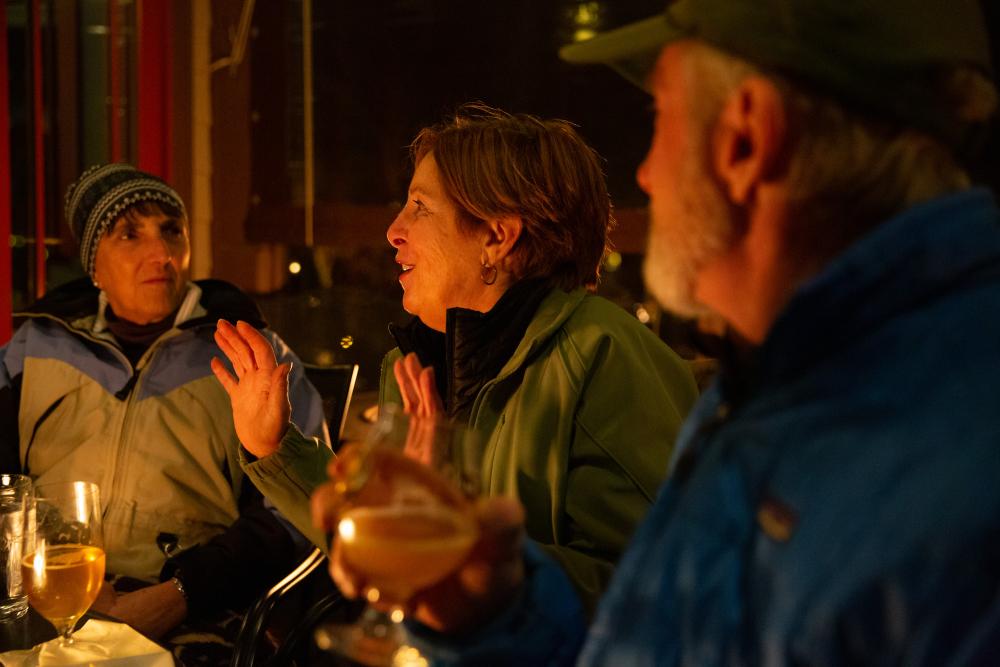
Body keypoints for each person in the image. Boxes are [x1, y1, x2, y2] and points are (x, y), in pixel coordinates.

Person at [310, 0, 1000, 664]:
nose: (642, 173)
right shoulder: (783, 392)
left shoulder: (949, 460)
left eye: (661, 113)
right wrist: (494, 603)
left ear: (745, 139)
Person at [212, 103, 699, 611]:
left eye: (420, 207)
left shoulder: (603, 356)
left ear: (496, 237)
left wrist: (459, 550)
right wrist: (273, 448)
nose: (393, 230)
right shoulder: (417, 365)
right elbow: (389, 550)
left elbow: (655, 588)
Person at [0, 164, 328, 652]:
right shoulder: (36, 346)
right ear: (95, 267)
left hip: (190, 611)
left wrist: (180, 593)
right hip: (43, 595)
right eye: (129, 234)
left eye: (172, 231)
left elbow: (295, 514)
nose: (161, 253)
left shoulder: (249, 355)